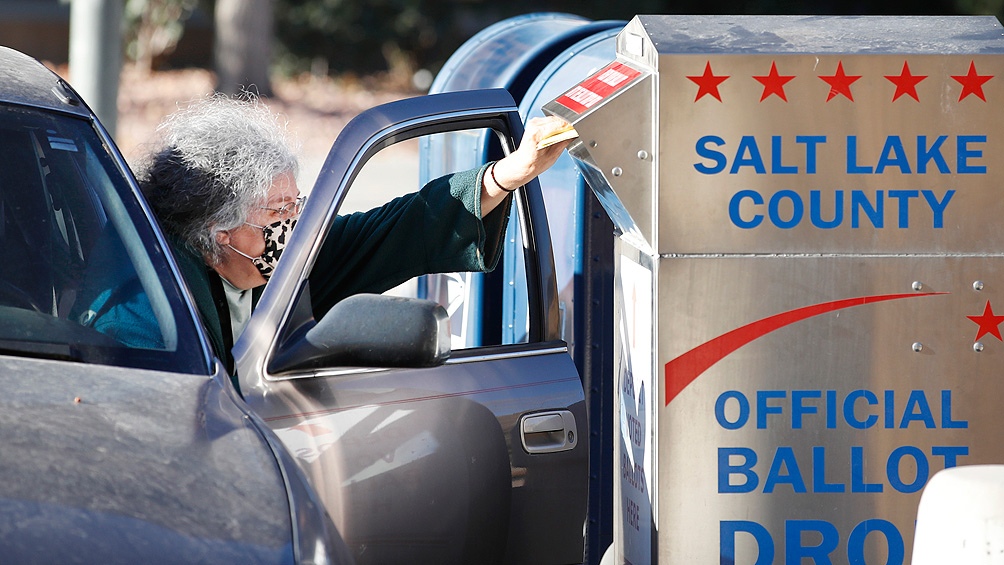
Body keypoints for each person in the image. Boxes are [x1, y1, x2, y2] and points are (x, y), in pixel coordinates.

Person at [136, 94, 571, 386]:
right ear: (216, 236)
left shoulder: (286, 263)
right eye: (277, 212)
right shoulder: (154, 310)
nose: (294, 225)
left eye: (297, 205)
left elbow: (402, 227)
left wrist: (508, 173)